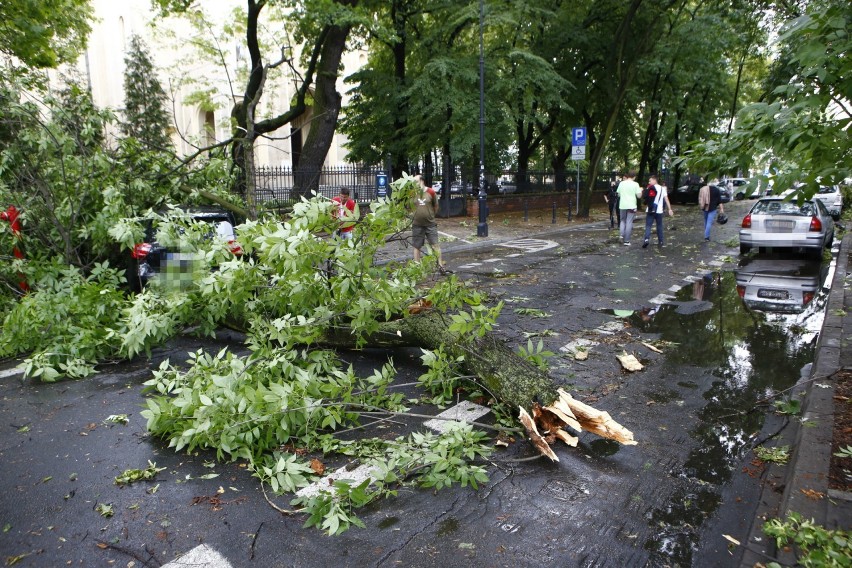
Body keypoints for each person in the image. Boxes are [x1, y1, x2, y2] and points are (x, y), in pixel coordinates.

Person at [411, 175, 450, 274]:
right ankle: (417, 268)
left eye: (416, 181)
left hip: (430, 224)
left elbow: (436, 206)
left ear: (422, 181)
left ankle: (441, 266)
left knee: (435, 245)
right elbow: (408, 207)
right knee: (417, 246)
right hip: (417, 224)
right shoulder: (412, 193)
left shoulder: (431, 192)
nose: (414, 183)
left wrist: (431, 215)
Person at [641, 175, 674, 248]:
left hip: (650, 209)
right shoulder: (662, 189)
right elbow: (666, 199)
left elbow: (645, 197)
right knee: (659, 226)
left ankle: (646, 239)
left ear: (654, 180)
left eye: (650, 180)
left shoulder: (649, 188)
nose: (649, 182)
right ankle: (661, 241)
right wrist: (670, 209)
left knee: (648, 225)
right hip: (659, 210)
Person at [616, 170, 643, 245]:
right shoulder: (635, 184)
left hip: (622, 205)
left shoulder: (621, 183)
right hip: (631, 205)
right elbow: (639, 196)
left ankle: (621, 236)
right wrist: (641, 191)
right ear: (634, 177)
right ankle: (626, 241)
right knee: (629, 222)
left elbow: (618, 194)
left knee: (622, 221)